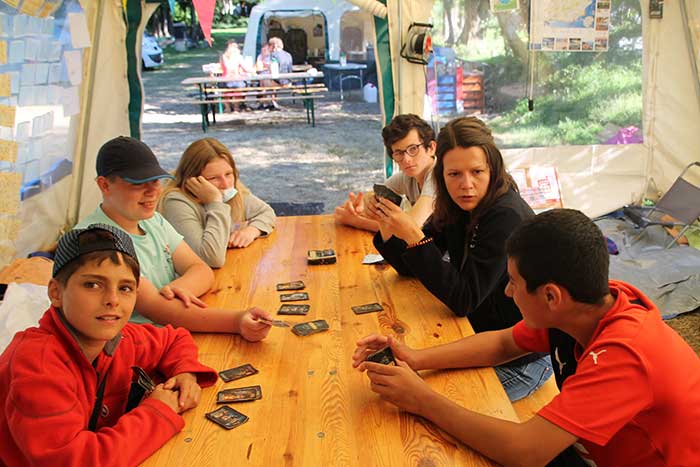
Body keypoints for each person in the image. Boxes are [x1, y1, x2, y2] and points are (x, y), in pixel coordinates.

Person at [353, 209, 700, 466]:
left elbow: (525, 451)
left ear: (551, 296)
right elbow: (504, 342)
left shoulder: (626, 354)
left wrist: (422, 400)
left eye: (514, 283)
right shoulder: (590, 303)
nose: (506, 292)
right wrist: (415, 357)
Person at [0, 223, 218, 465]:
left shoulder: (119, 339)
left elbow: (174, 339)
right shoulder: (37, 367)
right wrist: (157, 412)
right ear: (56, 293)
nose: (113, 300)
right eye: (93, 284)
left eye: (125, 288)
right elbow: (75, 461)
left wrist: (184, 372)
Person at [366, 116, 551, 401]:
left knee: (420, 407)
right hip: (476, 334)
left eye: (477, 171)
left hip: (524, 358)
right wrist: (386, 222)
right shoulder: (457, 206)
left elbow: (464, 298)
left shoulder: (506, 216)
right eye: (454, 175)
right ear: (442, 175)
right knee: (392, 386)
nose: (466, 185)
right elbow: (408, 266)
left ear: (493, 170)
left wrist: (414, 236)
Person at [76, 136, 273, 337]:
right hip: (138, 344)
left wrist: (174, 289)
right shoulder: (97, 240)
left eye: (155, 181)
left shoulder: (152, 221)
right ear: (105, 185)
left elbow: (202, 269)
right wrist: (237, 321)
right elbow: (157, 309)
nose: (153, 191)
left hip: (175, 329)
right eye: (138, 184)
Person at [159, 137, 276, 268]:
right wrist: (215, 203)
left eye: (228, 174)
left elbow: (266, 212)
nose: (225, 184)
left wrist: (252, 231)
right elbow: (211, 259)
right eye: (213, 178)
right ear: (193, 181)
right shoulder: (176, 203)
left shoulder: (229, 189)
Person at [334, 114, 437, 232]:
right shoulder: (409, 176)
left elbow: (410, 228)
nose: (406, 159)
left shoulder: (437, 176)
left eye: (413, 149)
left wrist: (356, 221)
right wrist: (361, 205)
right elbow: (375, 193)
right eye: (399, 153)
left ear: (431, 148)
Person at [219, 40, 254, 112]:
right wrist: (253, 70)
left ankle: (227, 107)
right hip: (235, 80)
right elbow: (246, 68)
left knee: (223, 89)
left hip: (225, 79)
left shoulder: (223, 57)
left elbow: (222, 68)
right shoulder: (238, 57)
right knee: (242, 87)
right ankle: (236, 107)